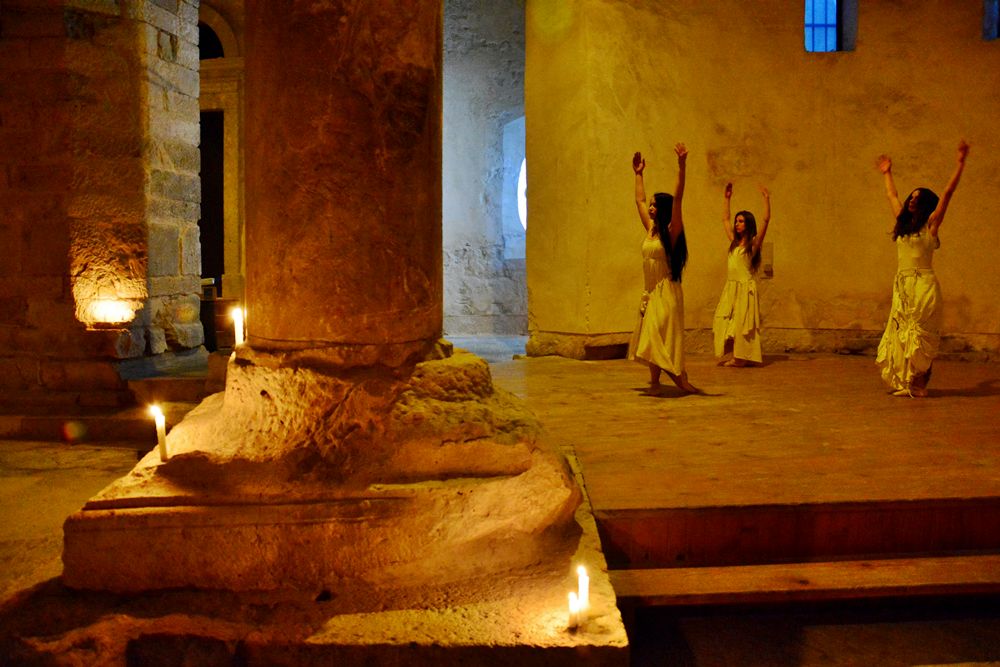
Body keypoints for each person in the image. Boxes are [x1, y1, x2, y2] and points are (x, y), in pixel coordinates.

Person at [875, 140, 969, 397]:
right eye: (911, 197)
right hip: (903, 285)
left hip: (923, 285)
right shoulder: (902, 224)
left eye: (918, 197)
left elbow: (948, 194)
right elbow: (892, 196)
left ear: (926, 204)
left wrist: (960, 164)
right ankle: (909, 382)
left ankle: (920, 380)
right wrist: (887, 173)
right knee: (902, 332)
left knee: (920, 334)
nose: (912, 200)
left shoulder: (931, 226)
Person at [627, 144, 698, 394]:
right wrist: (638, 174)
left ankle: (680, 379)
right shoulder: (650, 229)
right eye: (652, 204)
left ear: (665, 210)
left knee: (657, 335)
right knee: (649, 334)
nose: (651, 207)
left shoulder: (671, 231)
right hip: (650, 290)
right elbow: (639, 200)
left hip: (665, 290)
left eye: (656, 205)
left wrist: (682, 166)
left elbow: (679, 198)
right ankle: (655, 382)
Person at [713, 182, 771, 367]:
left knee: (741, 322)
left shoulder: (753, 245)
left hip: (745, 288)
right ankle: (736, 355)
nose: (737, 224)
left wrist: (766, 200)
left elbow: (765, 221)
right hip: (732, 286)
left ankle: (740, 358)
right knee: (724, 319)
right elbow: (724, 219)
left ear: (748, 224)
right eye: (736, 221)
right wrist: (726, 198)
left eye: (740, 221)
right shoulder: (733, 242)